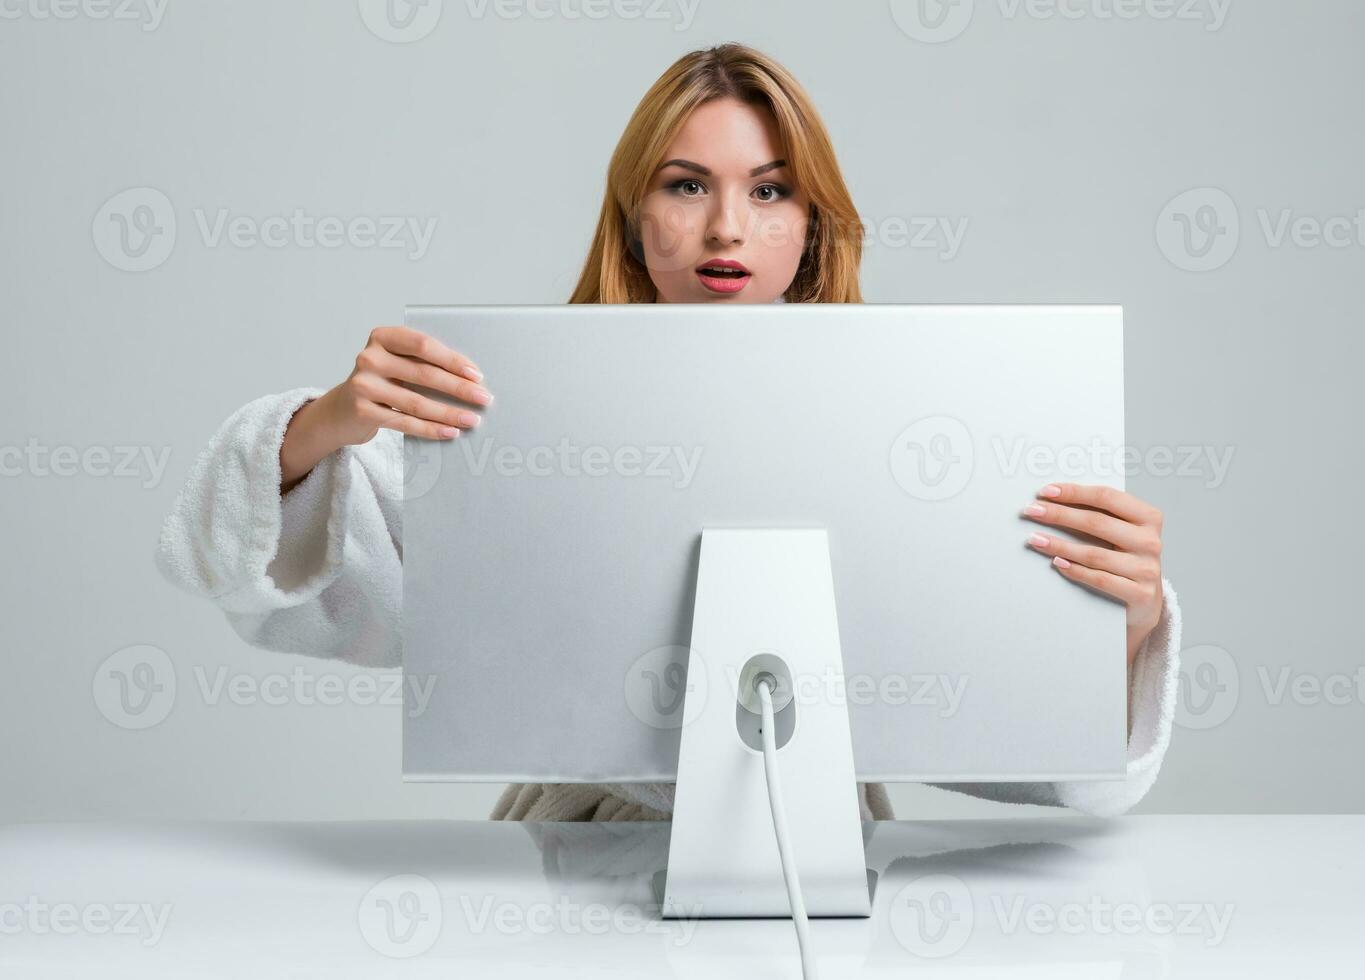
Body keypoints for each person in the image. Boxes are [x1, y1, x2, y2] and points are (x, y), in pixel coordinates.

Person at [155, 42, 1182, 823]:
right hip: (567, 851)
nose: (727, 228)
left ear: (813, 225)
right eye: (687, 185)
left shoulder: (916, 427)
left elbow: (1012, 731)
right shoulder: (510, 413)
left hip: (820, 853)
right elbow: (258, 572)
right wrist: (328, 422)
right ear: (635, 216)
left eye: (771, 189)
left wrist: (1118, 627)